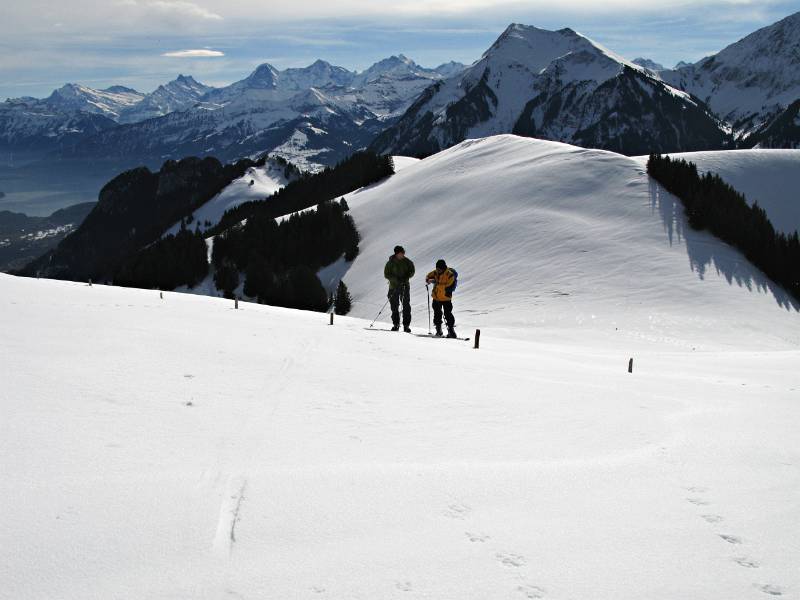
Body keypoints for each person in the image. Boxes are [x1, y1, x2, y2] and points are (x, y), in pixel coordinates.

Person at [384, 245, 415, 332]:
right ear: (396, 253)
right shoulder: (390, 263)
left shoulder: (407, 262)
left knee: (406, 305)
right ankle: (396, 324)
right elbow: (386, 274)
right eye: (401, 253)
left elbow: (412, 271)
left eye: (403, 253)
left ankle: (406, 325)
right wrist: (395, 279)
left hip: (405, 286)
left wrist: (406, 277)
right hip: (393, 286)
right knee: (394, 306)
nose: (402, 255)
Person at [426, 259, 457, 338]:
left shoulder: (449, 275)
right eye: (437, 268)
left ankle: (451, 331)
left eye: (439, 269)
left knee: (448, 314)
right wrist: (428, 280)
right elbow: (428, 276)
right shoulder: (435, 272)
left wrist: (435, 282)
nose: (437, 270)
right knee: (437, 314)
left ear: (443, 268)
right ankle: (438, 330)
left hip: (446, 298)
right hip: (436, 298)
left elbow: (447, 285)